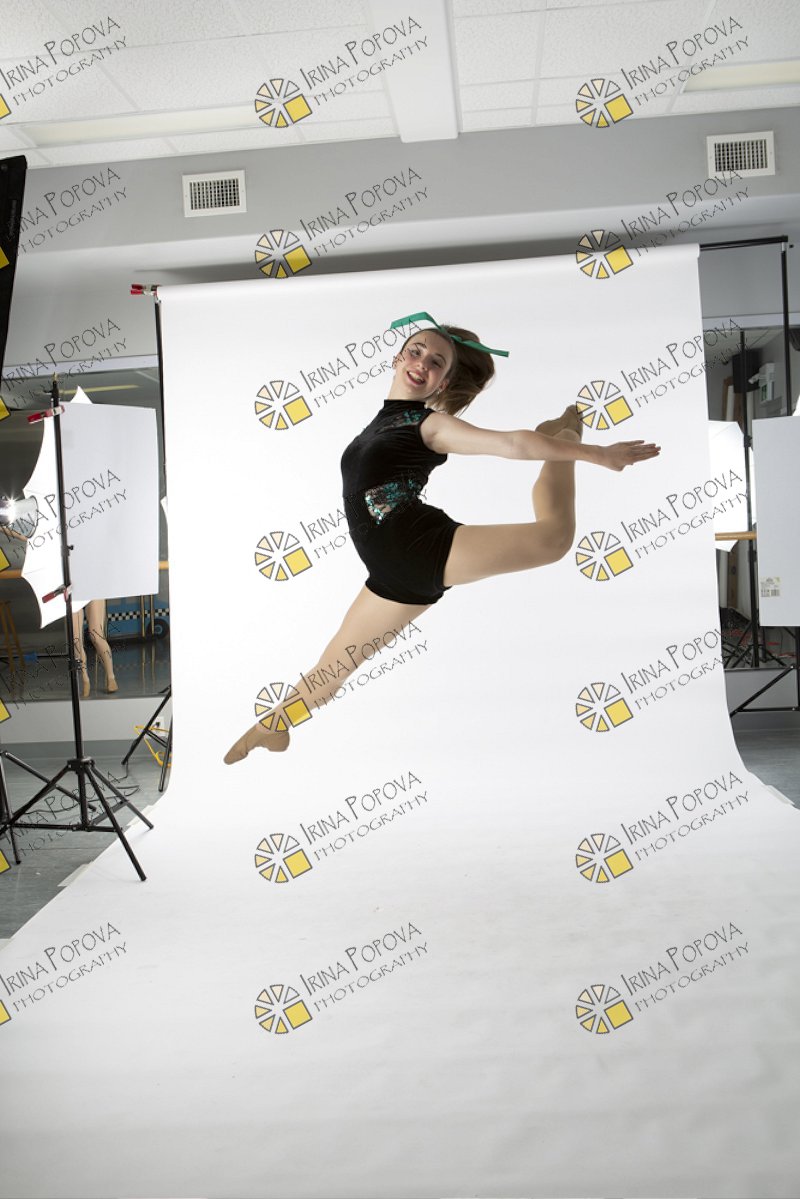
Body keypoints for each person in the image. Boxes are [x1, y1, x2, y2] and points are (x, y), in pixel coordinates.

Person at [223, 315, 659, 763]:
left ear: (443, 381)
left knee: (554, 539)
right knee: (332, 669)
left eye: (436, 362)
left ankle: (565, 437)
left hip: (420, 545)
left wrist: (597, 454)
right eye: (416, 352)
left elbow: (512, 444)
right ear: (397, 358)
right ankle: (273, 726)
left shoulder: (429, 425)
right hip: (391, 575)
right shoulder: (380, 421)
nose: (422, 364)